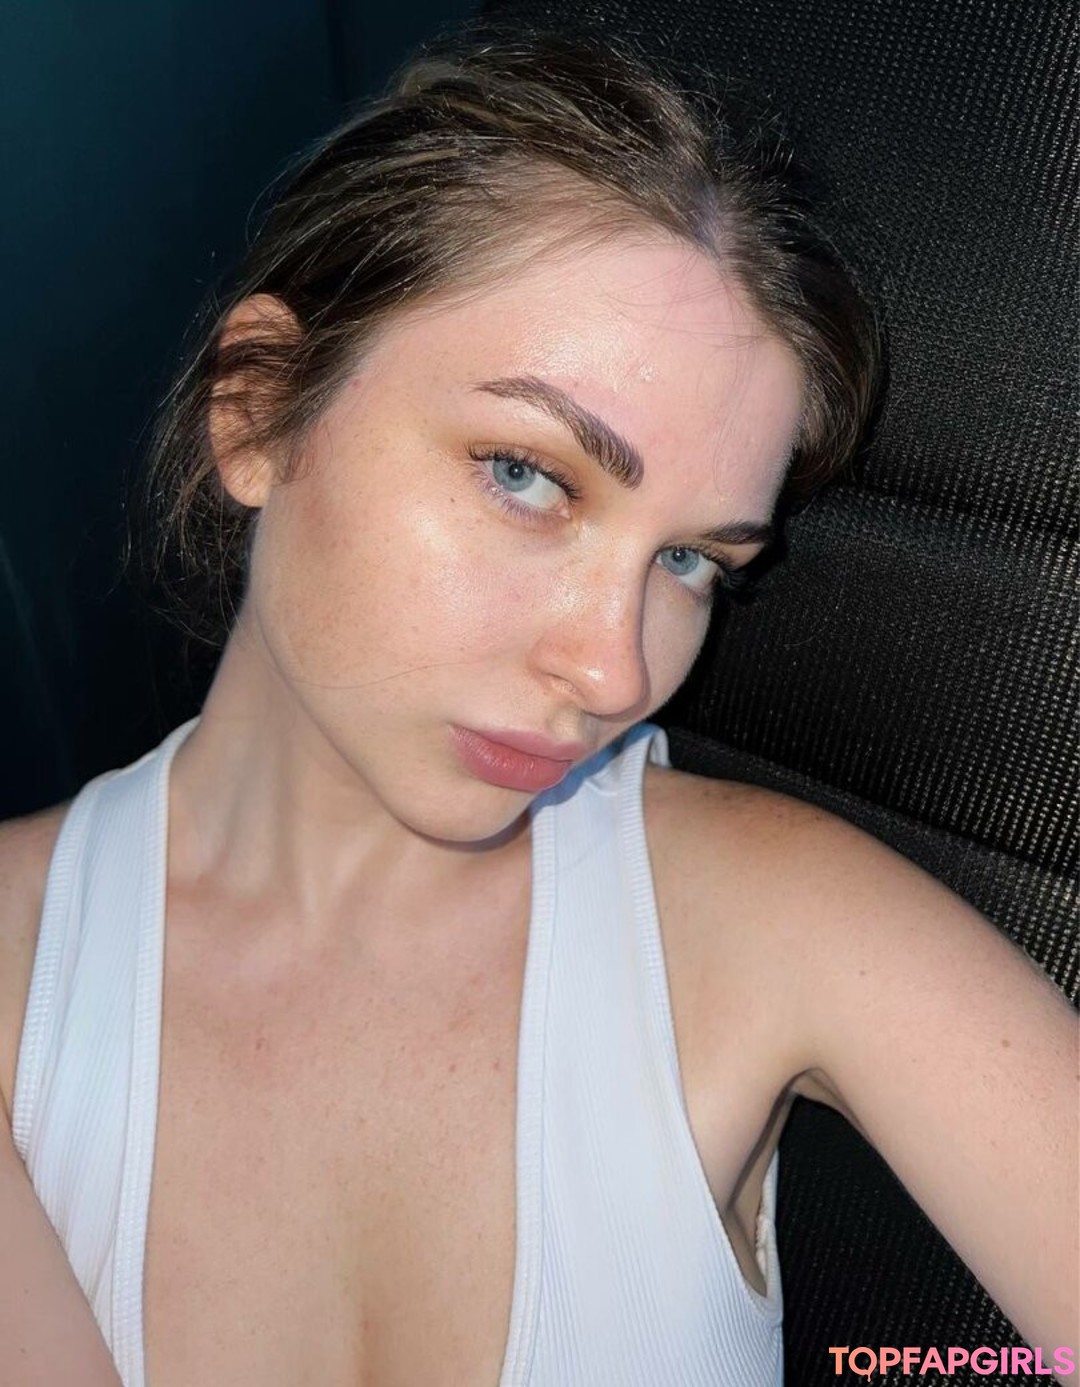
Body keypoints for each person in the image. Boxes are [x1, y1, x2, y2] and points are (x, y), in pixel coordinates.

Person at [0, 24, 1075, 1387]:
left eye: (691, 562)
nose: (616, 672)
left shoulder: (781, 930)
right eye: (528, 476)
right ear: (260, 410)